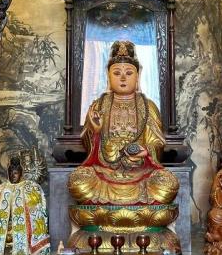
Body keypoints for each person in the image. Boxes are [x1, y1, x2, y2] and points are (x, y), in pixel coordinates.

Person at [68, 40, 179, 206]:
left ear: (137, 76)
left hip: (141, 173)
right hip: (105, 171)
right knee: (78, 183)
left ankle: (110, 209)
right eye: (116, 73)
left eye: (128, 73)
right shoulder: (99, 105)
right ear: (108, 76)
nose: (122, 78)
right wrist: (95, 130)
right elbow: (87, 145)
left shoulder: (147, 106)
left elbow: (157, 142)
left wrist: (146, 151)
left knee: (167, 185)